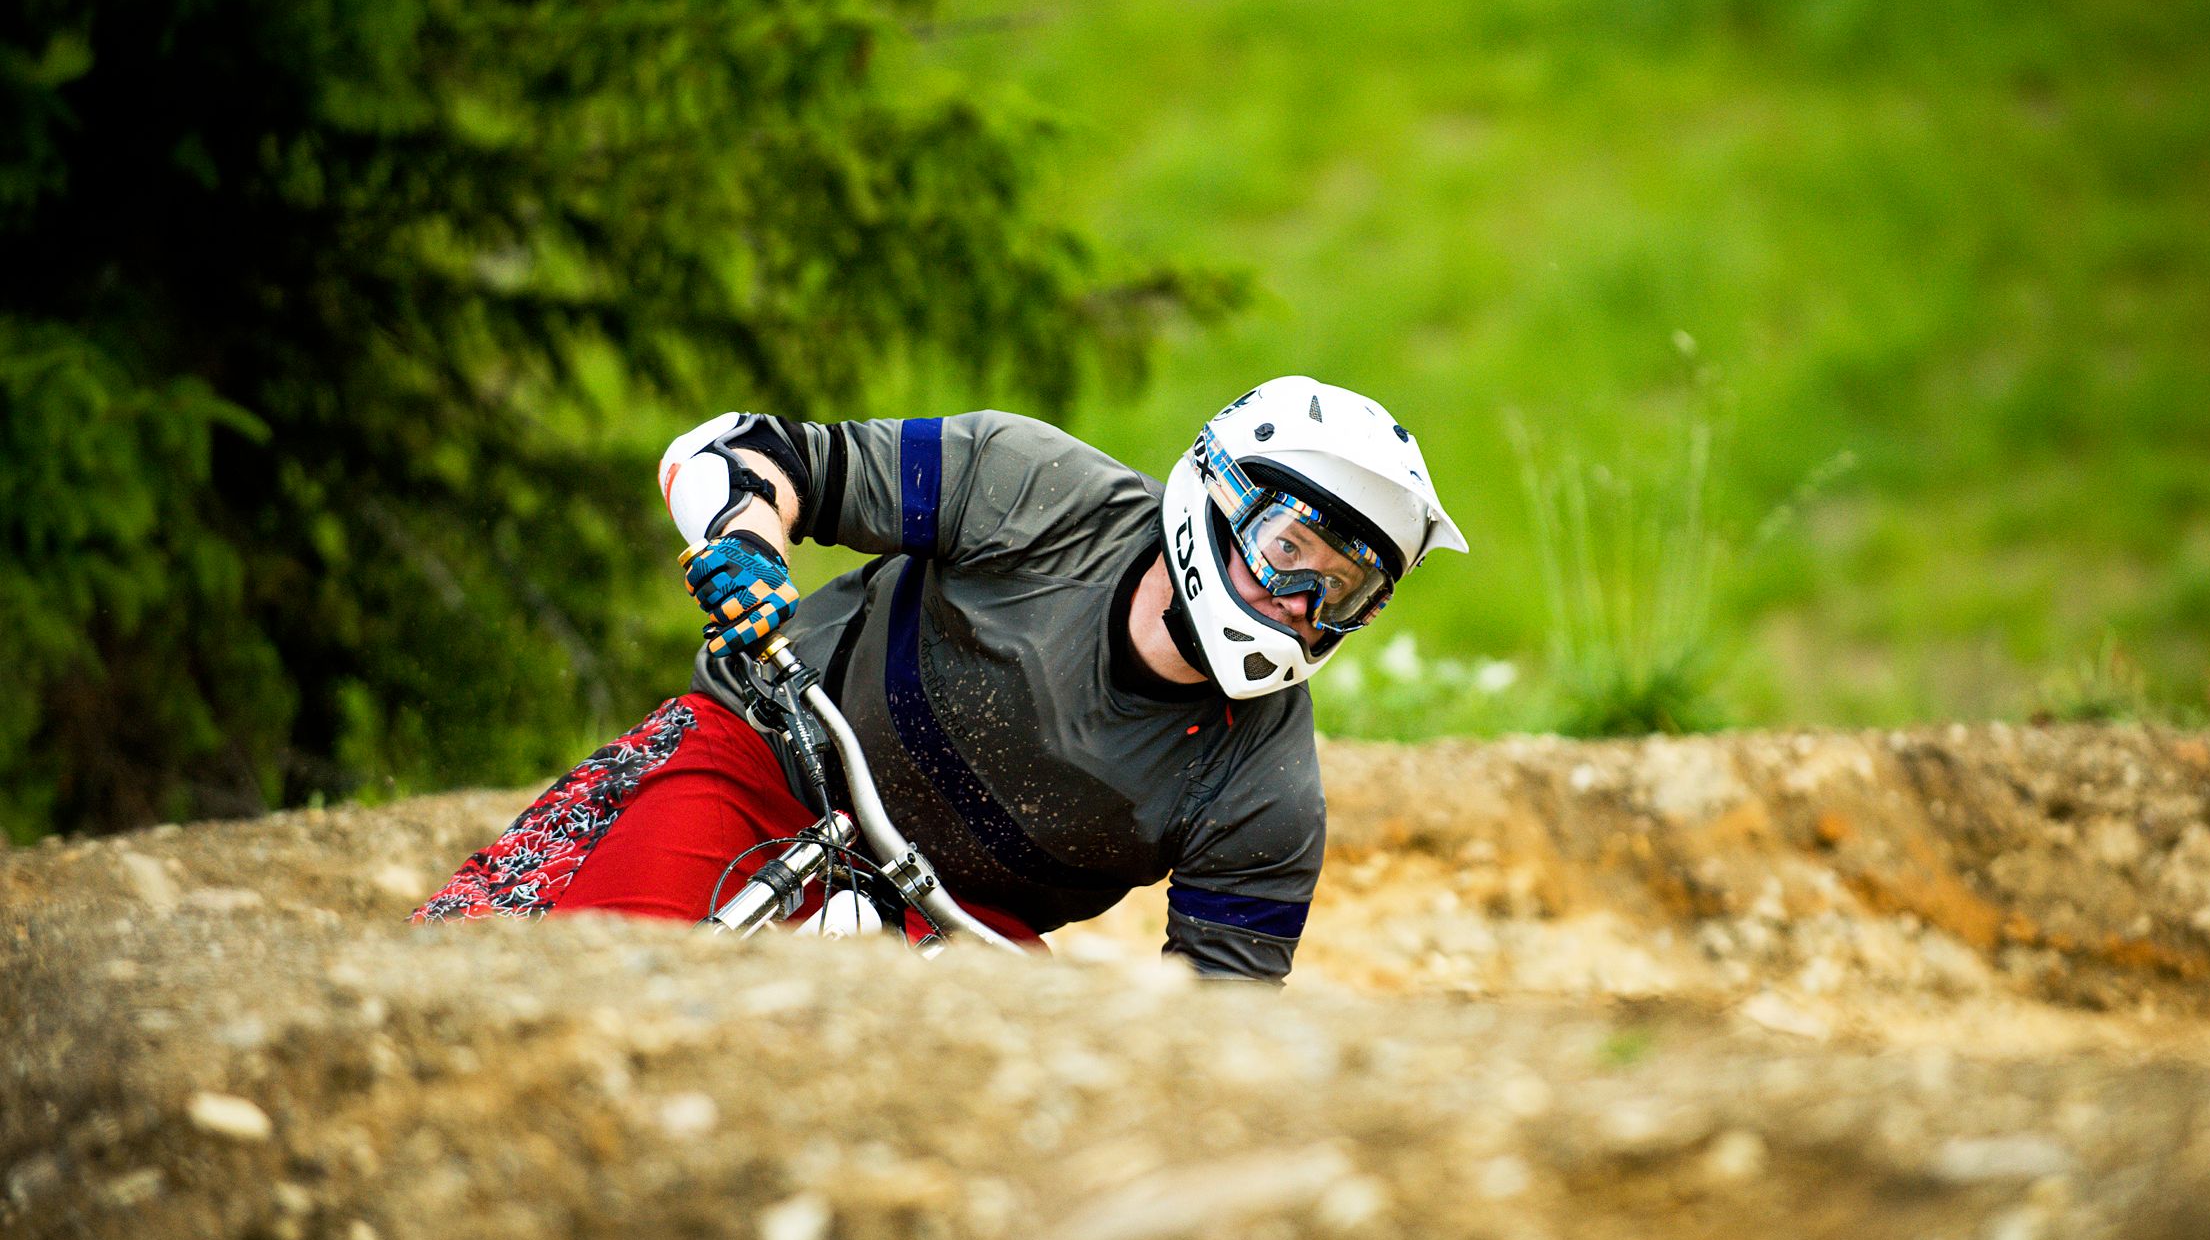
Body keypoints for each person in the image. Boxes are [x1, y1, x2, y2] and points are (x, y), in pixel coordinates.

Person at [415, 376, 1467, 980]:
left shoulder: (1266, 791)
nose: (1301, 604)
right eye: (1292, 549)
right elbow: (744, 450)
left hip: (962, 918)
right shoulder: (1031, 486)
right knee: (592, 979)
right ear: (1219, 493)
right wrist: (747, 535)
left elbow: (1212, 1035)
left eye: (1344, 587)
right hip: (768, 764)